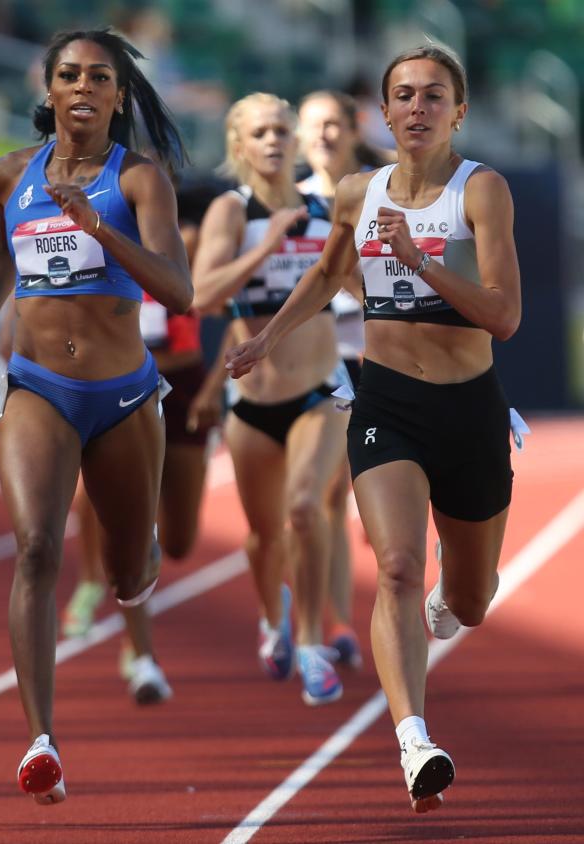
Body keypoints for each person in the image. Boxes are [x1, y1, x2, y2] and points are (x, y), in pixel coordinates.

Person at [225, 45, 521, 812]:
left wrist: (416, 260)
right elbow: (326, 274)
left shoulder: (480, 191)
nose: (417, 107)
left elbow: (505, 315)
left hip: (469, 407)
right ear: (382, 114)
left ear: (458, 111)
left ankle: (448, 605)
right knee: (393, 566)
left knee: (475, 597)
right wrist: (266, 338)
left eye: (433, 95)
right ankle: (414, 738)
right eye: (403, 95)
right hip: (386, 403)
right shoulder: (357, 192)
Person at [0, 28, 191, 805]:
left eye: (100, 77)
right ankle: (41, 742)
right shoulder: (8, 176)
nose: (83, 87)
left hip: (123, 394)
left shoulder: (142, 179)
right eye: (69, 75)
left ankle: (138, 550)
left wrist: (96, 225)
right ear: (48, 89)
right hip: (38, 386)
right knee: (34, 551)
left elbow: (179, 292)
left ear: (119, 97)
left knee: (128, 573)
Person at [192, 92, 349, 707]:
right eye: (259, 132)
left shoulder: (327, 207)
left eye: (282, 129)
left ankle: (311, 640)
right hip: (252, 402)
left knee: (308, 510)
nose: (274, 141)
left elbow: (362, 286)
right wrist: (268, 243)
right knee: (263, 535)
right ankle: (270, 615)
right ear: (240, 144)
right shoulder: (232, 212)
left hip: (319, 389)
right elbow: (202, 294)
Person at [61, 178, 218, 705]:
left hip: (183, 383)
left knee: (177, 541)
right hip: (126, 387)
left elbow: (202, 287)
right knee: (124, 520)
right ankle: (136, 647)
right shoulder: (92, 238)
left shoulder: (187, 239)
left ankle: (123, 600)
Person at [296, 88, 390, 669]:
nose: (325, 135)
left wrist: (352, 281)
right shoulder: (294, 203)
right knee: (327, 495)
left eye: (334, 123)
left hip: (386, 356)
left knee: (391, 490)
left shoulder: (378, 193)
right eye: (314, 125)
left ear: (352, 129)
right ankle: (336, 620)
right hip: (323, 363)